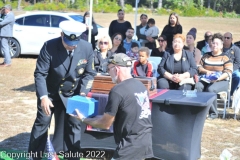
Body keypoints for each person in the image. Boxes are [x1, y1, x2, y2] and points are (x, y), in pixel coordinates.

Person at [28, 21, 96, 160]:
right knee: (42, 122)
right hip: (50, 93)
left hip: (73, 93)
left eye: (74, 44)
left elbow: (89, 73)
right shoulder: (49, 46)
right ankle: (34, 156)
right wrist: (43, 97)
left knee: (74, 125)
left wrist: (82, 93)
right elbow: (40, 74)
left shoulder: (87, 47)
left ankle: (72, 156)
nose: (71, 46)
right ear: (61, 35)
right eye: (68, 43)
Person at [71, 53, 153, 160]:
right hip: (145, 142)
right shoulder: (140, 85)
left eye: (109, 69)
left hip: (130, 146)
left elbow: (105, 124)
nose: (108, 72)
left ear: (116, 69)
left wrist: (83, 118)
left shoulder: (117, 90)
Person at [195, 33, 233, 119]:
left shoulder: (225, 57)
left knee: (210, 89)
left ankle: (213, 113)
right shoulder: (206, 56)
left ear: (221, 46)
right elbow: (199, 67)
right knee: (198, 86)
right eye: (213, 43)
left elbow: (228, 72)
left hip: (221, 81)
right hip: (206, 79)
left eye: (217, 44)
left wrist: (217, 79)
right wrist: (206, 71)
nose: (214, 45)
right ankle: (199, 111)